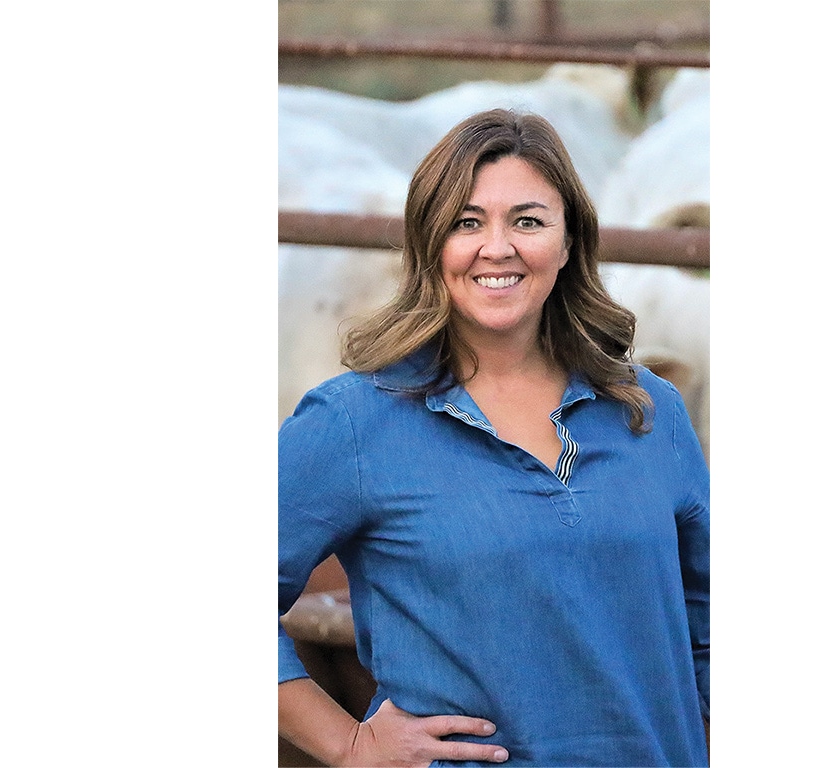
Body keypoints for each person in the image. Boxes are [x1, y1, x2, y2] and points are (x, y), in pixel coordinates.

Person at [278, 108, 710, 767]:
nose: (497, 246)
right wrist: (348, 744)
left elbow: (711, 614)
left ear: (568, 244)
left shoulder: (651, 411)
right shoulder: (355, 421)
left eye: (528, 221)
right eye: (466, 222)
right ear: (430, 244)